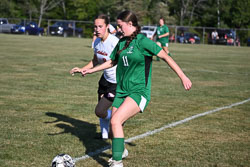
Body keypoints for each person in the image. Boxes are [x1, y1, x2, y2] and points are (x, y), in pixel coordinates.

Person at [82, 11, 192, 167]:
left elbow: (166, 57)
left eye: (120, 26)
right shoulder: (122, 42)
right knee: (114, 130)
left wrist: (183, 76)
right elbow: (112, 61)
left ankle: (117, 162)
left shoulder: (143, 41)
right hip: (121, 91)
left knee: (115, 120)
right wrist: (90, 70)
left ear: (130, 24)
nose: (118, 29)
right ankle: (121, 151)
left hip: (138, 91)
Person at [70, 14, 119, 140]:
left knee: (100, 111)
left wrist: (91, 71)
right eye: (95, 26)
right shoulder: (97, 42)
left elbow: (113, 62)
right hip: (105, 80)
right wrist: (83, 68)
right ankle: (103, 135)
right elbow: (95, 60)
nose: (96, 29)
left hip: (116, 83)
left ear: (107, 26)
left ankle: (117, 117)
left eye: (100, 26)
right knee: (100, 112)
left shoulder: (115, 42)